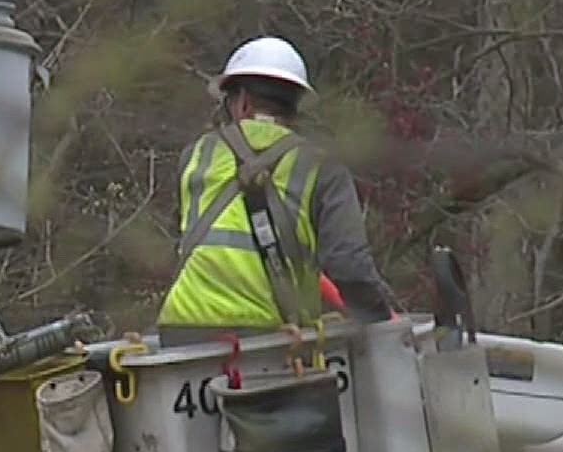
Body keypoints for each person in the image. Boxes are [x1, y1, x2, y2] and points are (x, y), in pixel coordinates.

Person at [156, 35, 396, 346]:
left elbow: (183, 238)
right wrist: (380, 324)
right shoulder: (321, 166)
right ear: (296, 105)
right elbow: (349, 266)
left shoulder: (196, 155)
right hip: (273, 340)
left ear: (241, 101)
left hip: (183, 330)